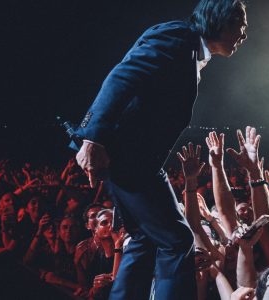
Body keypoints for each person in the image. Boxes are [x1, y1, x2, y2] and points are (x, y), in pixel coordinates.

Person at [71, 0, 248, 298]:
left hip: (133, 160)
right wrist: (93, 139)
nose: (243, 35)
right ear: (220, 20)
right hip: (128, 158)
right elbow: (122, 77)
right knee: (177, 240)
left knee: (144, 238)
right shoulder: (177, 37)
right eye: (240, 26)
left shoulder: (190, 49)